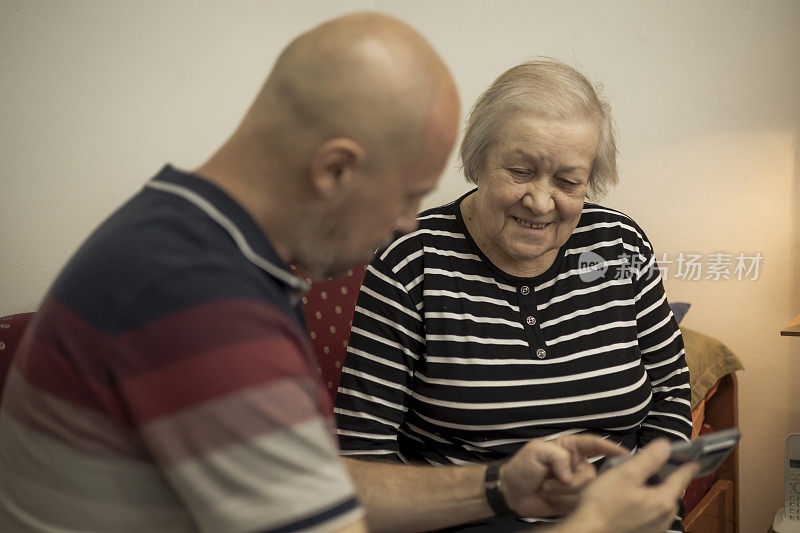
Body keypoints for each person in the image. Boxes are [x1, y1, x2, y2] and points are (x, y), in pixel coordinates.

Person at [0, 13, 695, 533]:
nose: (404, 226)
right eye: (405, 197)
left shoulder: (187, 245)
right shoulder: (194, 303)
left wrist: (498, 485)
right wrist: (594, 522)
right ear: (335, 168)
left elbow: (332, 484)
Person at [334, 59, 694, 531]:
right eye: (521, 171)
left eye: (567, 182)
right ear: (478, 161)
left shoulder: (619, 244)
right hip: (468, 519)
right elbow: (363, 450)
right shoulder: (411, 260)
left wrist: (644, 493)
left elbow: (670, 390)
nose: (541, 202)